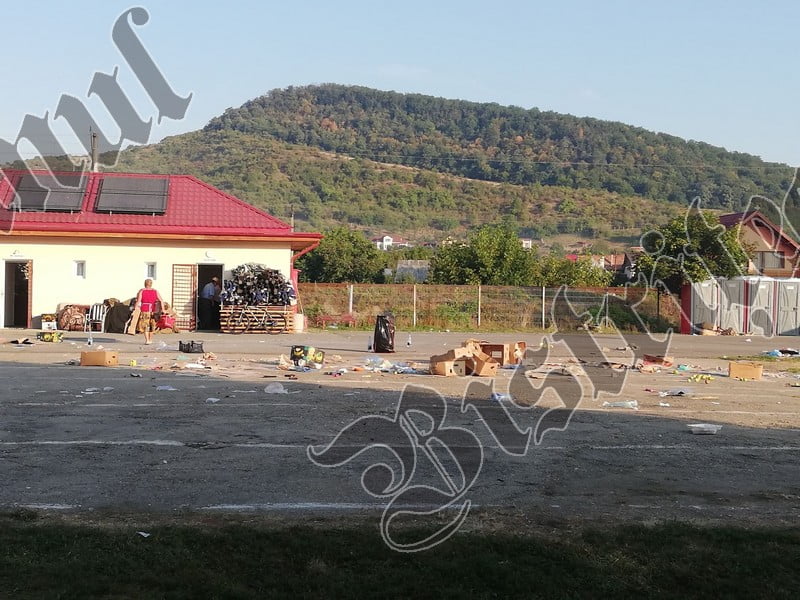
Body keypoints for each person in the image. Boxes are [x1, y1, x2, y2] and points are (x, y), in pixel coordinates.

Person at [135, 279, 164, 345]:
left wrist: (135, 307)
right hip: (153, 310)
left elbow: (138, 301)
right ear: (151, 284)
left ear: (145, 284)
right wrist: (163, 309)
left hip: (145, 310)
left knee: (145, 325)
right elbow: (161, 300)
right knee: (152, 325)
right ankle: (150, 339)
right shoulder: (155, 291)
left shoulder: (142, 291)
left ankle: (147, 340)